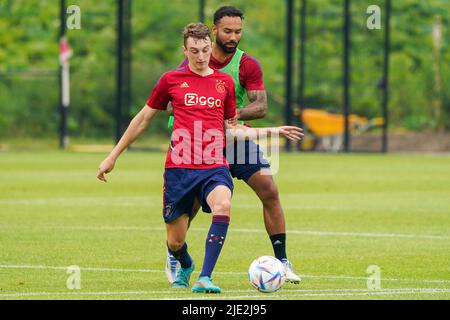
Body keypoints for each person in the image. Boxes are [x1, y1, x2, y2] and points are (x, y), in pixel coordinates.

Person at [97, 23, 303, 294]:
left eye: (206, 49)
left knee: (223, 204)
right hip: (179, 168)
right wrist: (112, 156)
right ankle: (185, 263)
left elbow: (229, 129)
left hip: (214, 165)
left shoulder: (224, 83)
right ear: (185, 50)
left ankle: (205, 277)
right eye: (194, 50)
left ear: (210, 46)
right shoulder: (170, 80)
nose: (201, 55)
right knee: (175, 241)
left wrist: (272, 131)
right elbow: (142, 119)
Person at [166, 6, 302, 284]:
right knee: (190, 204)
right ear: (214, 30)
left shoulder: (246, 64)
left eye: (238, 31)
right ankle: (176, 252)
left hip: (236, 139)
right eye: (227, 31)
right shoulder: (194, 59)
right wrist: (207, 111)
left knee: (270, 189)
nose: (233, 36)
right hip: (197, 143)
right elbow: (169, 104)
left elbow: (261, 106)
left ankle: (283, 259)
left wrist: (228, 114)